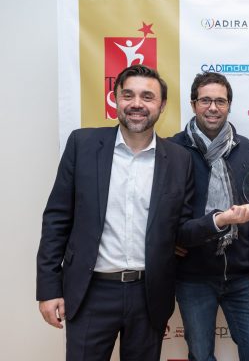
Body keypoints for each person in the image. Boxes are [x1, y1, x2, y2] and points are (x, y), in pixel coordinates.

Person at [36, 64, 225, 360]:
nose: (137, 104)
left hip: (149, 295)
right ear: (115, 99)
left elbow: (181, 229)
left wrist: (219, 221)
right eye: (128, 95)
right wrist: (49, 288)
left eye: (147, 97)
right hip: (90, 293)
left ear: (161, 105)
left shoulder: (179, 160)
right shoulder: (82, 145)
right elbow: (57, 219)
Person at [170, 72, 249, 361]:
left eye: (220, 101)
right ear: (193, 104)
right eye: (205, 101)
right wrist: (169, 241)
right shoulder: (173, 150)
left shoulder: (246, 148)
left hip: (241, 276)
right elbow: (159, 212)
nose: (213, 108)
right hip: (193, 276)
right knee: (201, 355)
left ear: (229, 105)